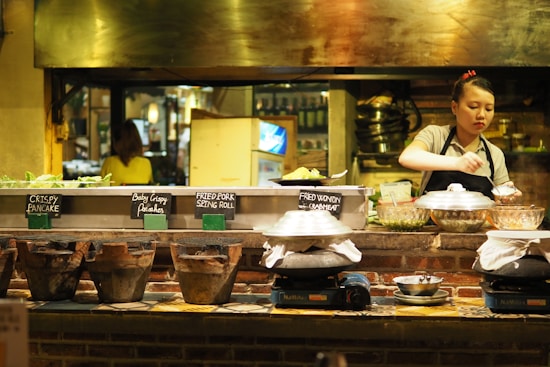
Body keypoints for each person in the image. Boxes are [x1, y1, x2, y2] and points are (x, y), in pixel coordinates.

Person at [398, 70, 521, 202]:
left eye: (489, 109)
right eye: (473, 107)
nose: (482, 115)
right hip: (433, 221)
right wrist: (457, 163)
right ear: (454, 107)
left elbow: (498, 203)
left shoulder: (494, 154)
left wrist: (506, 196)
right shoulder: (436, 135)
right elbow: (407, 157)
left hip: (478, 222)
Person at [100, 119, 154, 185]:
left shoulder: (109, 163)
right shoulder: (146, 164)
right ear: (138, 141)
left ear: (116, 143)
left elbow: (100, 190)